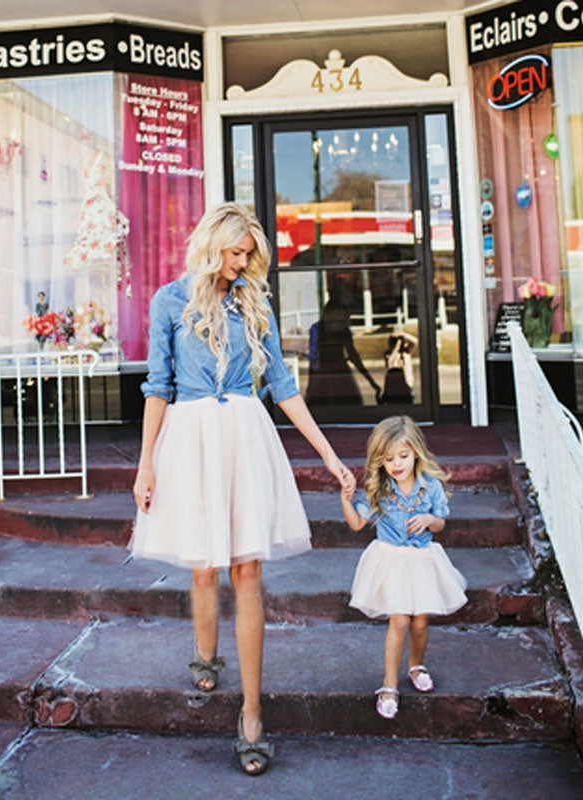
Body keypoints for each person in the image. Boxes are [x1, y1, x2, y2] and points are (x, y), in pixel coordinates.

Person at [131, 202, 355, 776]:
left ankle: (252, 713)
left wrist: (329, 457)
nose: (241, 263)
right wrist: (145, 465)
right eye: (234, 252)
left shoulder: (254, 303)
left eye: (248, 254)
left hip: (245, 434)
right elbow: (158, 386)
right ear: (212, 246)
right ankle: (206, 654)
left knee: (247, 568)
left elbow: (282, 383)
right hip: (188, 435)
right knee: (203, 566)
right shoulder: (170, 302)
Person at [339, 415, 467, 720]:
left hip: (422, 560)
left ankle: (416, 665)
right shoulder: (380, 491)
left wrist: (429, 521)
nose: (396, 464)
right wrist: (345, 498)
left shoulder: (430, 487)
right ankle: (388, 685)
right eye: (388, 459)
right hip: (391, 560)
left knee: (420, 622)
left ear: (416, 454)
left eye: (403, 456)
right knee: (399, 620)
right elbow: (357, 523)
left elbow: (441, 521)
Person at [305, 297, 382, 405]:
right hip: (326, 376)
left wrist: (371, 382)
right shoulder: (317, 329)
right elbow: (313, 358)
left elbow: (354, 356)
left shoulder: (342, 330)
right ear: (327, 313)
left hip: (337, 374)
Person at [379, 331, 417, 404]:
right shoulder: (388, 354)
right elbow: (391, 363)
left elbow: (414, 341)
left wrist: (403, 334)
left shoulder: (406, 352)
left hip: (406, 385)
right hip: (392, 388)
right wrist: (396, 348)